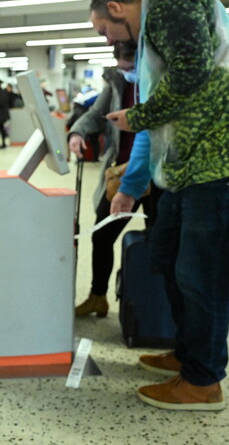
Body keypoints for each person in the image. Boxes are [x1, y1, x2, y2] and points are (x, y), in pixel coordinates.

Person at [90, 0, 229, 411]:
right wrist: (133, 188)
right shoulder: (152, 44)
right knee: (167, 256)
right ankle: (187, 352)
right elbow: (156, 124)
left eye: (105, 30)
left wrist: (136, 117)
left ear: (117, 8)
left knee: (202, 274)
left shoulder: (170, 4)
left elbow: (190, 74)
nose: (109, 41)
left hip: (228, 160)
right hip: (193, 167)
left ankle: (203, 381)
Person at [69, 46, 160, 318]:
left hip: (157, 177)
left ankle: (156, 311)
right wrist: (77, 132)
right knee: (101, 236)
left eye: (130, 68)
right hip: (121, 174)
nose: (127, 74)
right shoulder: (117, 83)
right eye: (122, 68)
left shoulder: (161, 81)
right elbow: (96, 114)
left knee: (159, 243)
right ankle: (98, 296)